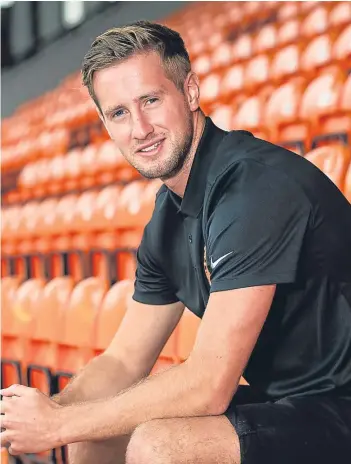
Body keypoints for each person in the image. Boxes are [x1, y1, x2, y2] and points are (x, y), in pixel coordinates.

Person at [1, 20, 351, 464]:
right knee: (100, 434)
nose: (140, 128)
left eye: (151, 100)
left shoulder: (256, 188)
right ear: (106, 125)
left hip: (339, 403)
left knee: (160, 445)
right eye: (119, 113)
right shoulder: (167, 219)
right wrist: (33, 417)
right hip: (290, 405)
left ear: (189, 92)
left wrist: (59, 424)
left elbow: (208, 384)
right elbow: (124, 362)